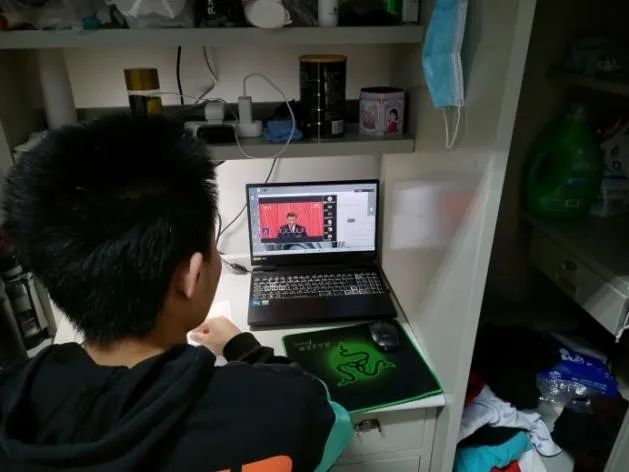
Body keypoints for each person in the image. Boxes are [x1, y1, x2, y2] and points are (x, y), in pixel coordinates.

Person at [0, 115, 351, 471]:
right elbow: (333, 419)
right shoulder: (286, 407)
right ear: (190, 276)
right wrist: (243, 347)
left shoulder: (13, 400)